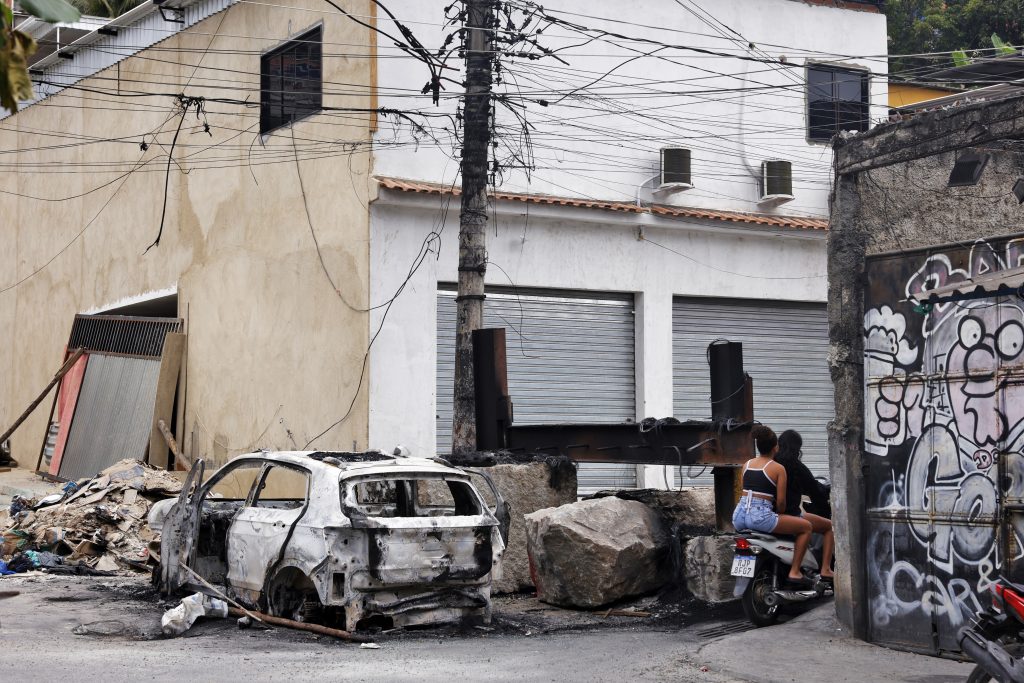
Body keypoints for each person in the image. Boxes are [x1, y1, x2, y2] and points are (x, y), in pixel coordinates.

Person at [732, 424, 813, 586]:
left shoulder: (746, 465)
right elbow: (781, 502)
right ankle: (795, 571)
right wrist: (780, 513)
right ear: (775, 447)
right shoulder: (778, 468)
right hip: (760, 517)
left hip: (739, 516)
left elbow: (744, 492)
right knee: (807, 527)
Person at [776, 429, 834, 582]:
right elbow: (814, 490)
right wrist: (823, 503)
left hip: (769, 514)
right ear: (797, 448)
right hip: (789, 515)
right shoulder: (796, 467)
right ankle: (826, 569)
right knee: (829, 527)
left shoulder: (770, 463)